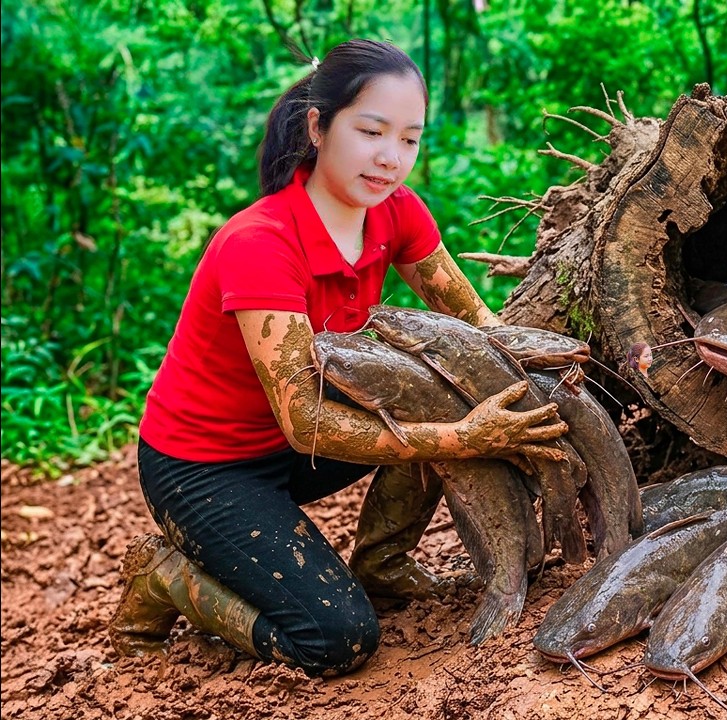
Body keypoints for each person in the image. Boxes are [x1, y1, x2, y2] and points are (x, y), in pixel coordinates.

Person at [107, 39, 567, 677]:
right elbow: (308, 420)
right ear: (318, 127)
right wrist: (462, 437)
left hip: (295, 447)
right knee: (335, 639)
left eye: (409, 139)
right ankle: (164, 576)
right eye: (371, 131)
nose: (390, 158)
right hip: (205, 466)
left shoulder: (396, 212)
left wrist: (549, 370)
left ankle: (382, 563)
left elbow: (475, 325)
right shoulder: (259, 244)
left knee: (444, 382)